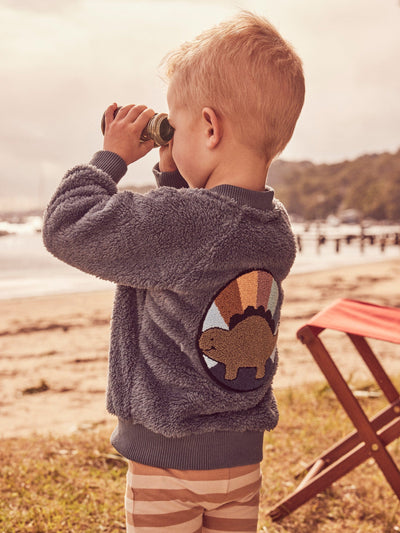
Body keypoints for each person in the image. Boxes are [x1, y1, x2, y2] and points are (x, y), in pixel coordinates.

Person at [42, 10, 305, 533]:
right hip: (240, 459)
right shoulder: (274, 228)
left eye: (177, 127)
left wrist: (110, 159)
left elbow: (67, 226)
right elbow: (187, 261)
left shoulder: (190, 226)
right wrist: (173, 175)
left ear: (209, 127)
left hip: (168, 460)